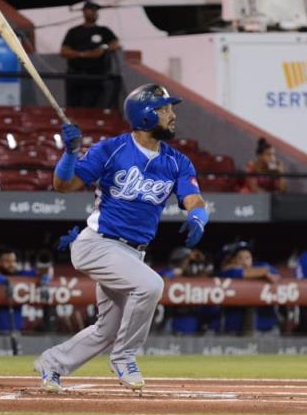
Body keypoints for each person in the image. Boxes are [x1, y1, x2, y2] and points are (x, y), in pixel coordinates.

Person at [34, 83, 208, 392]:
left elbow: (193, 198)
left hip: (132, 254)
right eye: (164, 109)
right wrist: (70, 154)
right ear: (144, 116)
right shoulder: (110, 149)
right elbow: (64, 185)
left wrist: (198, 216)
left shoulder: (177, 161)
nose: (172, 115)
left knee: (107, 330)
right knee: (151, 285)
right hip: (98, 244)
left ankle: (52, 365)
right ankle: (125, 357)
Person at [60, 1, 121, 108]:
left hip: (96, 76)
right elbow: (64, 51)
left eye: (95, 11)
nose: (94, 13)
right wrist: (84, 54)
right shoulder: (74, 31)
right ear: (84, 12)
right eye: (91, 10)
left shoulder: (103, 30)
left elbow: (115, 44)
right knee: (74, 107)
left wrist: (103, 48)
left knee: (94, 107)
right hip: (75, 75)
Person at [0, 246, 51, 332]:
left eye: (13, 261)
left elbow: (44, 269)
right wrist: (3, 281)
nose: (11, 264)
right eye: (7, 261)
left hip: (16, 330)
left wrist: (44, 281)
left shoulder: (20, 274)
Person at [217, 241, 279, 335]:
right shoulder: (229, 272)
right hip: (234, 330)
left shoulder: (261, 266)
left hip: (265, 329)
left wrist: (262, 272)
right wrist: (262, 273)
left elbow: (275, 274)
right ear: (233, 260)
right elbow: (236, 272)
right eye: (240, 258)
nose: (244, 261)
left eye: (247, 257)